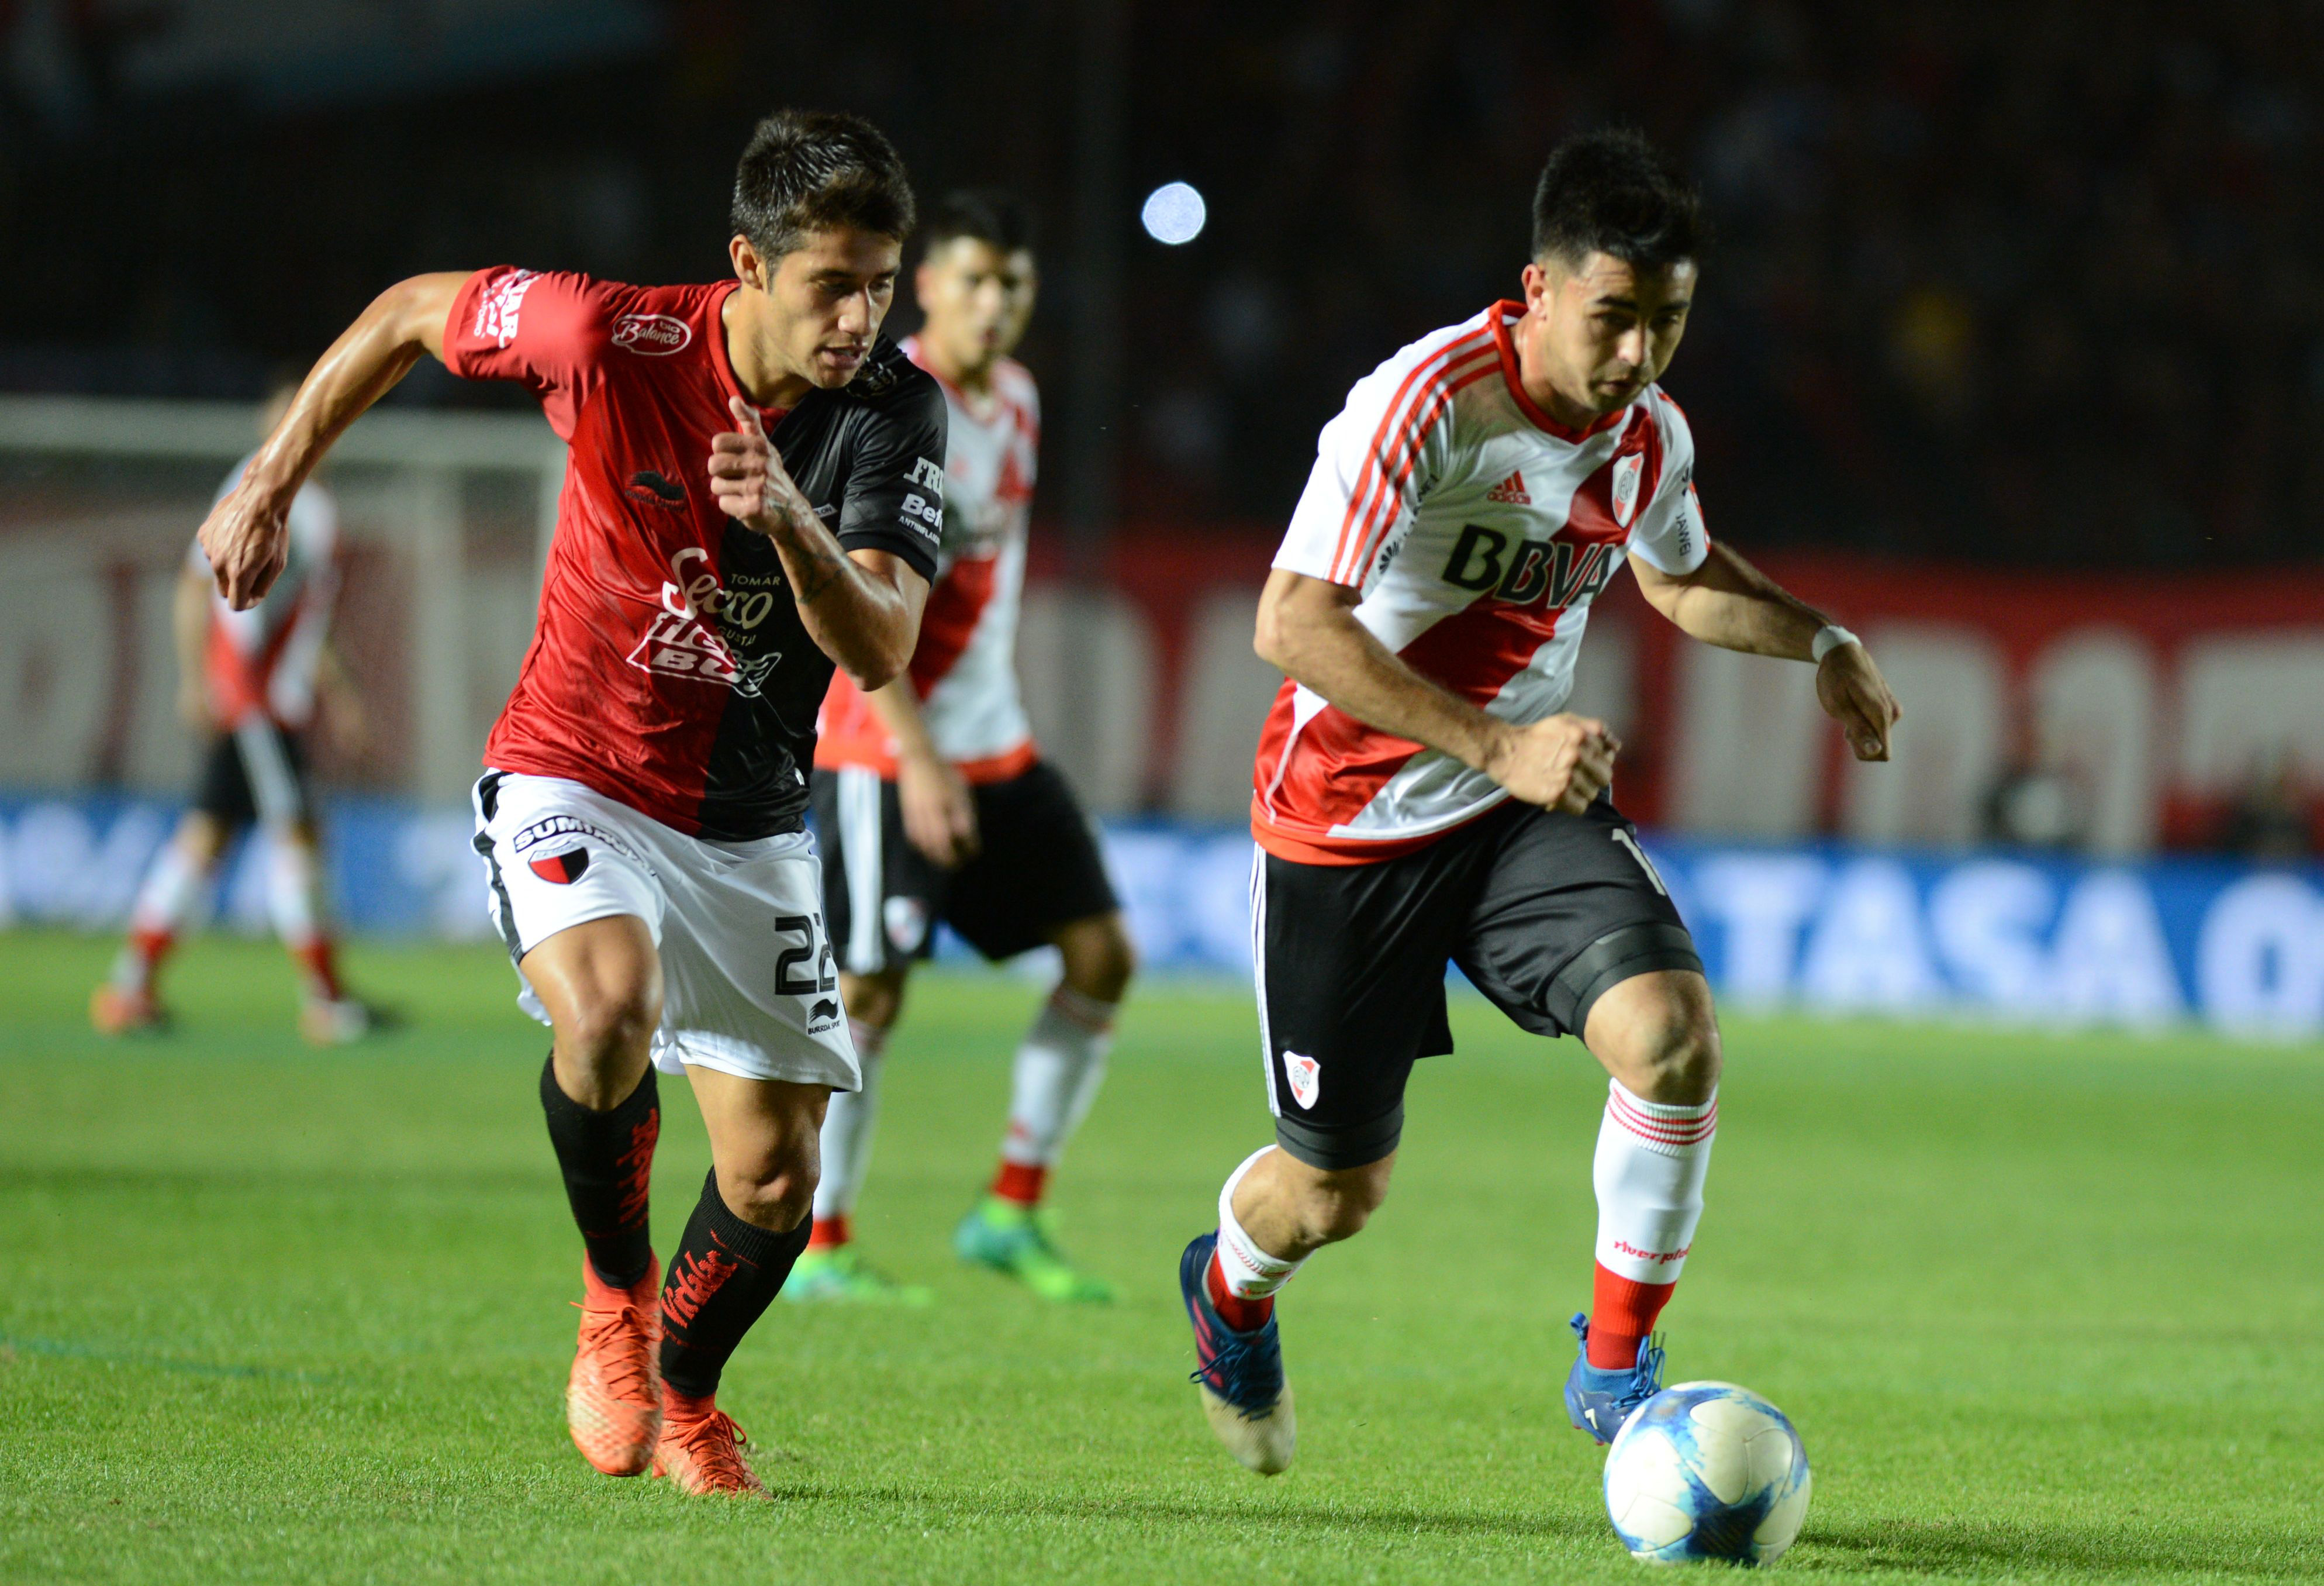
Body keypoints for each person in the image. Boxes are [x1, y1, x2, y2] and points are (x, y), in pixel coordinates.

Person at [194, 111, 944, 1499]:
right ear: (748, 264)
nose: (859, 318)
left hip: (746, 820)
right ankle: (614, 1297)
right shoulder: (610, 338)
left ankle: (689, 1396)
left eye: (881, 285)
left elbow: (883, 646)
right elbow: (410, 314)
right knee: (606, 1011)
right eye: (831, 284)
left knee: (778, 1177)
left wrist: (788, 520)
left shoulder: (895, 410)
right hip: (574, 766)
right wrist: (270, 481)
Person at [1176, 129, 1902, 1476]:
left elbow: (1678, 575)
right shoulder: (1423, 405)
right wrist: (1493, 744)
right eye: (1612, 316)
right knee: (1332, 1195)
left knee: (1671, 1037)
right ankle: (1226, 1293)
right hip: (1346, 823)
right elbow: (1290, 622)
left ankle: (1615, 1371)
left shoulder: (1646, 435)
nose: (1637, 353)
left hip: (1517, 811)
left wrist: (1819, 640)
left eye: (1667, 321)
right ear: (1539, 288)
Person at [795, 190, 1133, 1306]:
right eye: (976, 279)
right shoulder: (883, 406)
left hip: (998, 744)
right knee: (871, 989)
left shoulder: (1019, 399)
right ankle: (821, 1244)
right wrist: (921, 760)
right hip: (883, 746)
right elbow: (855, 603)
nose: (995, 303)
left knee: (1101, 956)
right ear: (930, 285)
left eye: (1014, 284)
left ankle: (1008, 1211)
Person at [91, 377, 381, 1046]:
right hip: (256, 702)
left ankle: (131, 988)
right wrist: (199, 681)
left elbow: (305, 621)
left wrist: (340, 696)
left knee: (209, 837)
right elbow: (197, 585)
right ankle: (326, 1001)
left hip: (268, 700)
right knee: (296, 838)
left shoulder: (308, 502)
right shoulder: (269, 489)